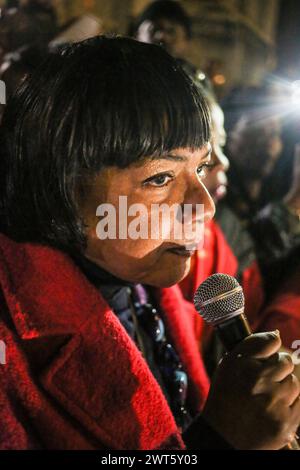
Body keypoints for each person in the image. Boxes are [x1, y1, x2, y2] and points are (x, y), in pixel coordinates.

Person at [0, 36, 299, 450]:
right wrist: (217, 441)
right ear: (63, 187)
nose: (205, 207)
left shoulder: (147, 286)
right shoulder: (11, 351)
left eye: (201, 167)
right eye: (160, 178)